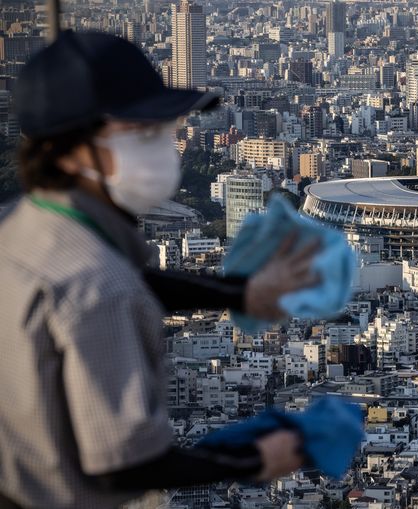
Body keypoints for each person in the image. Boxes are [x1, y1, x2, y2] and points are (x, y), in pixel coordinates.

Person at [0, 31, 316, 508]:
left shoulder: (23, 228)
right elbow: (123, 465)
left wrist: (238, 293)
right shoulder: (98, 285)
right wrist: (251, 460)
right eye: (142, 133)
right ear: (73, 149)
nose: (165, 146)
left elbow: (118, 284)